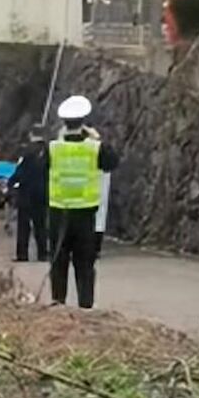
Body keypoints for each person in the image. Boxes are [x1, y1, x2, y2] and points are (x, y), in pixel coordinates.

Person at [47, 95, 120, 308]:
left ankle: (58, 302)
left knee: (58, 261)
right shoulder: (94, 148)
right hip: (85, 215)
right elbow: (112, 163)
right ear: (85, 123)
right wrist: (97, 140)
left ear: (63, 123)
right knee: (85, 263)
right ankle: (85, 305)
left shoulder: (52, 148)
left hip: (59, 212)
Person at [11, 124, 49, 262]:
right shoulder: (49, 151)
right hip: (43, 191)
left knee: (24, 225)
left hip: (26, 193)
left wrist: (11, 183)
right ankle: (43, 253)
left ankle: (22, 254)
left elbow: (20, 171)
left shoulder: (26, 151)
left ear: (31, 135)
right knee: (41, 224)